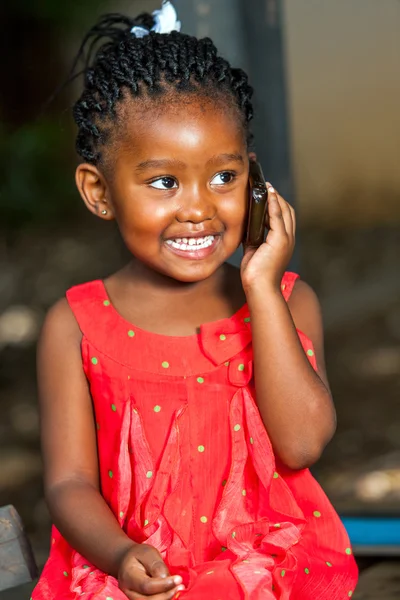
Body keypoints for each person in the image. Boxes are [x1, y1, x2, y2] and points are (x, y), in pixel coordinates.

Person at [32, 2, 358, 598]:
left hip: (264, 577)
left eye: (224, 177)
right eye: (164, 181)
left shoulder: (287, 301)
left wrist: (261, 287)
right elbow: (69, 483)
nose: (199, 207)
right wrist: (121, 555)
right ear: (99, 191)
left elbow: (303, 443)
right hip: (129, 579)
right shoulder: (74, 326)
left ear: (253, 179)